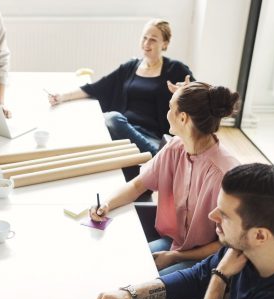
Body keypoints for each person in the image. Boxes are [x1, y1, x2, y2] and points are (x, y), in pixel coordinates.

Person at [93, 163, 274, 299]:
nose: (212, 216)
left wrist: (219, 278)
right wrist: (131, 293)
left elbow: (211, 277)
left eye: (224, 215)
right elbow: (198, 276)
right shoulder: (268, 241)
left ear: (260, 235)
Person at [90, 82, 240, 275]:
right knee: (121, 267)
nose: (167, 113)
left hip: (207, 259)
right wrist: (106, 205)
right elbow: (137, 185)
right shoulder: (175, 147)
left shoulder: (225, 174)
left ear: (183, 118)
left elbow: (228, 244)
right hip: (174, 243)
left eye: (171, 108)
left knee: (141, 283)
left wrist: (177, 257)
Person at [48, 19, 194, 155]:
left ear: (165, 44)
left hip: (151, 138)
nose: (146, 43)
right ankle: (158, 161)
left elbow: (203, 97)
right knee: (106, 120)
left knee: (112, 118)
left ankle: (158, 159)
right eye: (144, 37)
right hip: (122, 131)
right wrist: (61, 97)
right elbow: (97, 87)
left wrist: (188, 91)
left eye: (153, 39)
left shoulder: (175, 69)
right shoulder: (130, 67)